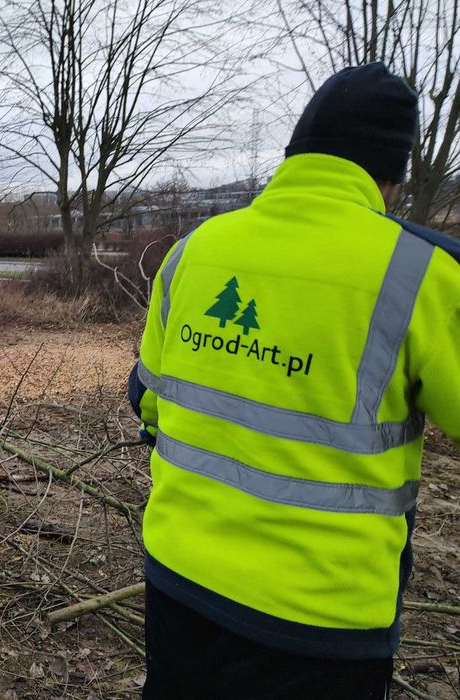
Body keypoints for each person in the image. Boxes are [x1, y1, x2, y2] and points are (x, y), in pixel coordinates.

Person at [128, 63, 459, 698]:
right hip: (322, 618)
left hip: (178, 578)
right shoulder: (424, 273)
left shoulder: (194, 249)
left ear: (295, 153)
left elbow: (149, 401)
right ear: (388, 177)